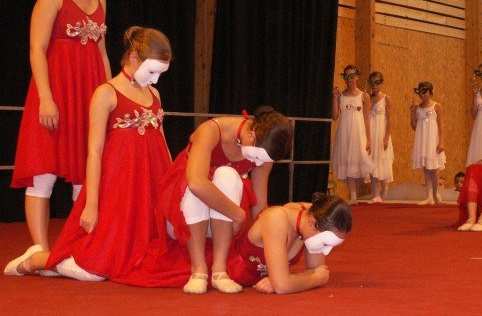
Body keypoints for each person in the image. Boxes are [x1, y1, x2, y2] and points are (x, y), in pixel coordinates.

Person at [4, 27, 173, 280]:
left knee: (145, 259)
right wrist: (91, 204)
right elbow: (94, 152)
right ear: (133, 57)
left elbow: (163, 144)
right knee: (95, 270)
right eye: (152, 71)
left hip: (149, 187)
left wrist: (171, 187)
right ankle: (37, 259)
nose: (156, 80)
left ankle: (56, 262)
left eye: (160, 73)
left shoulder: (154, 94)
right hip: (119, 191)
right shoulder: (106, 93)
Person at [11, 0, 123, 253]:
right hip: (55, 89)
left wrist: (111, 96)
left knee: (84, 171)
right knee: (43, 170)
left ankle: (77, 247)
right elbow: (37, 48)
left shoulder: (101, 2)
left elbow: (101, 53)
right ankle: (39, 249)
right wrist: (46, 97)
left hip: (89, 92)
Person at [112, 106, 293, 294]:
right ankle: (198, 270)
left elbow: (260, 206)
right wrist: (237, 214)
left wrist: (269, 248)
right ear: (251, 134)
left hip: (222, 225)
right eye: (256, 157)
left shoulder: (264, 152)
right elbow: (196, 184)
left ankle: (219, 271)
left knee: (227, 174)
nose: (258, 163)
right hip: (184, 217)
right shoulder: (211, 131)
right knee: (198, 183)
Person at [117, 194, 352, 295]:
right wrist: (312, 279)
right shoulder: (278, 219)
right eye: (326, 242)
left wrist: (292, 279)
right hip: (225, 269)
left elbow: (315, 269)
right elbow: (296, 282)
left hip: (246, 278)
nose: (326, 250)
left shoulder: (312, 215)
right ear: (312, 223)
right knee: (148, 268)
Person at [332, 65, 374, 205]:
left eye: (352, 76)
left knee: (357, 160)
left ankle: (356, 195)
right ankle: (353, 196)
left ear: (357, 77)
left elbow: (367, 119)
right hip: (344, 132)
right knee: (347, 160)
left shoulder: (364, 96)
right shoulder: (341, 96)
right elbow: (335, 116)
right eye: (346, 76)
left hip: (358, 133)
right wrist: (335, 98)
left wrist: (369, 139)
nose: (349, 79)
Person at [410, 81, 446, 205]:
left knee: (434, 169)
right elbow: (414, 126)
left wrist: (441, 142)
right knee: (425, 168)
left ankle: (435, 193)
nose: (422, 95)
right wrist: (412, 113)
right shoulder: (417, 108)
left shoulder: (436, 106)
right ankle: (429, 196)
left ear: (430, 93)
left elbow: (441, 126)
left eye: (424, 92)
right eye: (420, 92)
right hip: (422, 140)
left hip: (432, 140)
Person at [366, 71, 394, 203]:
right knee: (371, 162)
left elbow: (389, 120)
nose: (375, 86)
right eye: (372, 83)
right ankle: (376, 193)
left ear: (381, 83)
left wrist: (386, 137)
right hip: (370, 134)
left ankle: (384, 188)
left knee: (381, 161)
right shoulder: (367, 98)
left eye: (377, 83)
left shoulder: (386, 98)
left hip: (381, 133)